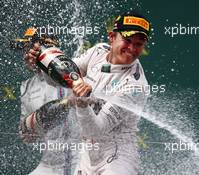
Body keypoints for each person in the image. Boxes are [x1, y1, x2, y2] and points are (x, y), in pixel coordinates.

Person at [24, 12, 151, 175]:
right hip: (87, 154)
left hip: (118, 157)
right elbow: (63, 78)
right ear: (112, 37)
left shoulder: (135, 86)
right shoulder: (98, 51)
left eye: (139, 44)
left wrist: (82, 103)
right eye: (127, 40)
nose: (132, 49)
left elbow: (95, 131)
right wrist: (40, 66)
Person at [19, 43, 79, 175]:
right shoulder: (27, 86)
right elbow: (26, 136)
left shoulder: (73, 72)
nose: (27, 56)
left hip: (80, 160)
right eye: (26, 51)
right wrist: (36, 122)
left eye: (32, 50)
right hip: (49, 164)